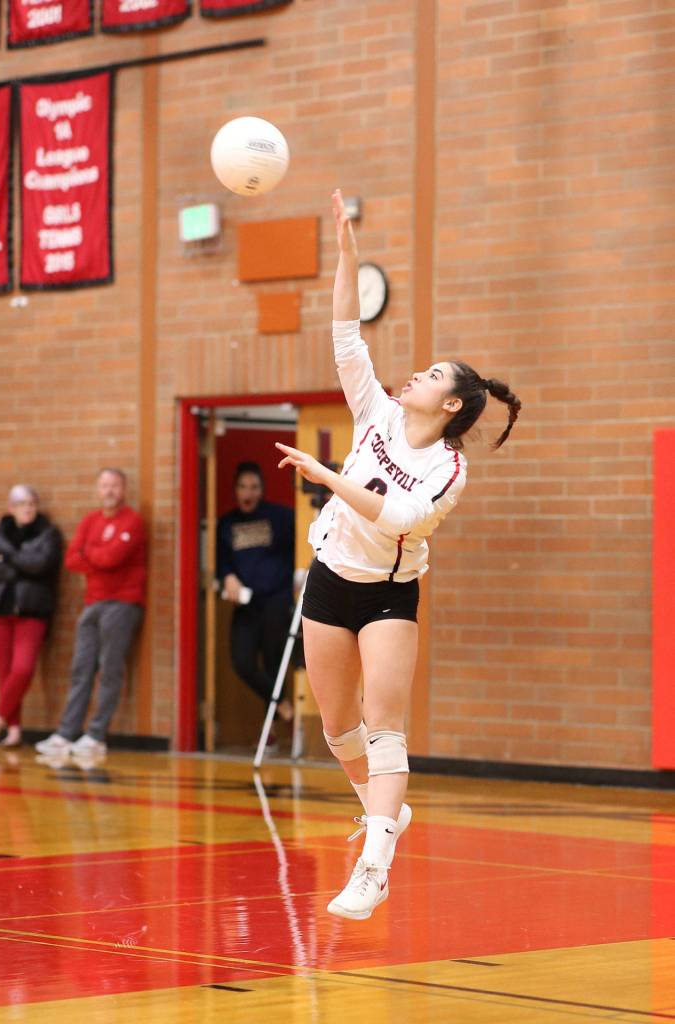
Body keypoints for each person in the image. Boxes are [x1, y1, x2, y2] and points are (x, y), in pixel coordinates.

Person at [275, 189, 521, 921]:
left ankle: (374, 864)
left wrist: (327, 477)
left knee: (385, 726)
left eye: (433, 374)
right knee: (335, 726)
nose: (416, 374)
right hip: (329, 578)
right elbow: (346, 333)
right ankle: (385, 806)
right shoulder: (376, 411)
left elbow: (398, 516)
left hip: (386, 593)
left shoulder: (448, 469)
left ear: (450, 405)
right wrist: (347, 249)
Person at [35, 468, 146, 760]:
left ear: (123, 489)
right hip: (92, 603)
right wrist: (96, 556)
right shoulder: (90, 521)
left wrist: (91, 555)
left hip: (122, 604)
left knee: (109, 668)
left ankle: (96, 735)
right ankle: (66, 733)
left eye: (114, 485)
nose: (109, 490)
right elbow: (72, 558)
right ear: (98, 490)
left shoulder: (132, 521)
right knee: (80, 668)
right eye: (104, 485)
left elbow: (113, 558)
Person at [217, 462, 295, 735]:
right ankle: (282, 704)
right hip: (246, 604)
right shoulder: (226, 523)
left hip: (277, 598)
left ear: (261, 490)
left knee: (275, 662)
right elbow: (221, 562)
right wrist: (227, 576)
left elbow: (302, 547)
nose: (248, 493)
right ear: (235, 490)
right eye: (242, 487)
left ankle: (270, 734)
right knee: (243, 662)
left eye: (254, 487)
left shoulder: (281, 517)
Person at [0, 486, 62, 747]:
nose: (28, 508)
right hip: (0, 610)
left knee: (22, 669)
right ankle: (14, 730)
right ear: (11, 507)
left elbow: (40, 565)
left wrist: (8, 558)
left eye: (32, 503)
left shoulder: (48, 534)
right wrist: (19, 565)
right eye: (22, 504)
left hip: (32, 611)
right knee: (5, 672)